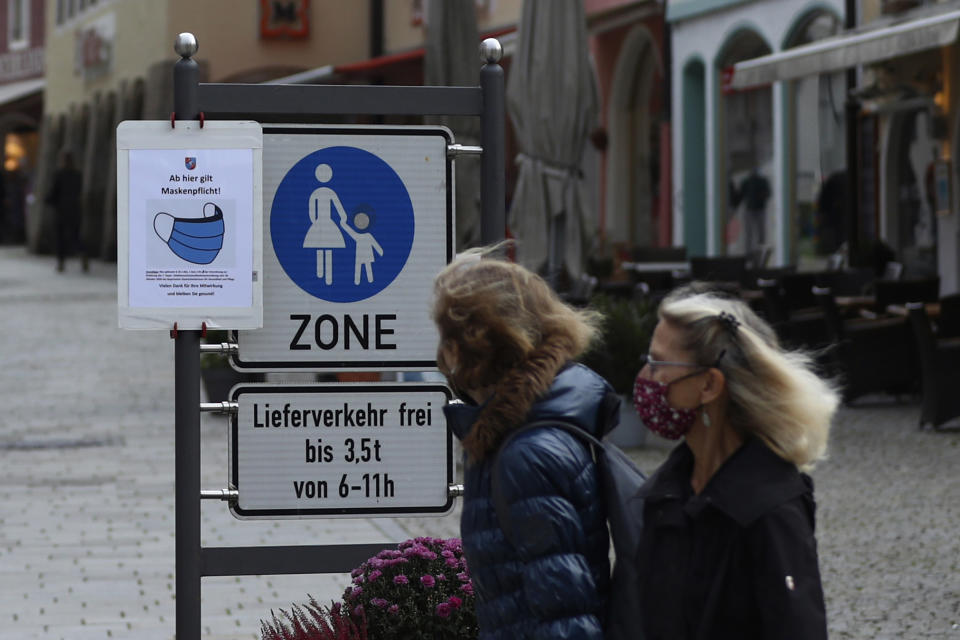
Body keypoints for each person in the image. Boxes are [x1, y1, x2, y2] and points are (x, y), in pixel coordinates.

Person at [633, 283, 838, 639]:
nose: (645, 378)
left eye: (658, 363)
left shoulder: (770, 510)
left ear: (709, 386)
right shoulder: (666, 495)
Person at [434, 250, 616, 639]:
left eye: (447, 338)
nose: (442, 354)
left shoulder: (525, 454)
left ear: (477, 348)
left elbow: (565, 619)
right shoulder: (511, 431)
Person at [47, 150, 86, 272]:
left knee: (60, 237)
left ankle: (61, 262)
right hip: (75, 210)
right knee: (75, 235)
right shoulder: (77, 174)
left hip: (62, 210)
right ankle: (82, 254)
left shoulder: (59, 174)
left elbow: (54, 192)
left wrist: (48, 201)